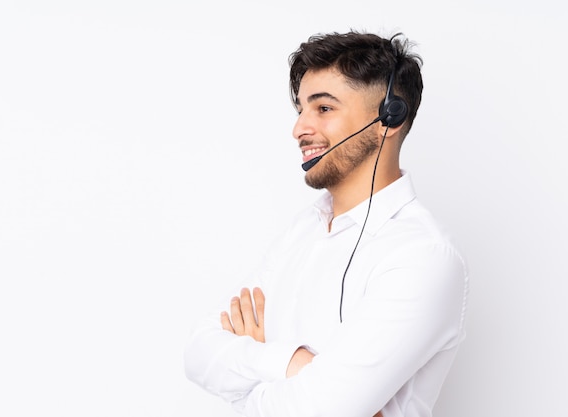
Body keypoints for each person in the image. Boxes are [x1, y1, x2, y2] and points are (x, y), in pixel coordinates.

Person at [184, 29, 469, 417]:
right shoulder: (303, 230)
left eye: (323, 108)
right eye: (300, 109)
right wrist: (293, 363)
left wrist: (253, 363)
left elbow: (318, 411)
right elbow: (200, 353)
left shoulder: (422, 256)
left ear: (388, 118)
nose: (299, 128)